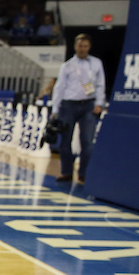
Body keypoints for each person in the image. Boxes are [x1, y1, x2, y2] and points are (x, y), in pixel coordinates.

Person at [51, 33, 105, 184]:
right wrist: (55, 109)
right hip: (69, 105)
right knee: (65, 141)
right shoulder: (67, 66)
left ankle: (83, 174)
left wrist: (99, 103)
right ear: (75, 46)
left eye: (85, 46)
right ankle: (66, 172)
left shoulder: (96, 63)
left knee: (87, 141)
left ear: (89, 47)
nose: (82, 49)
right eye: (80, 46)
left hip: (88, 105)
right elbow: (59, 87)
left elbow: (100, 84)